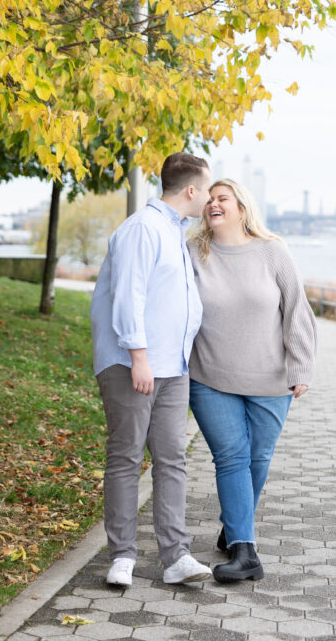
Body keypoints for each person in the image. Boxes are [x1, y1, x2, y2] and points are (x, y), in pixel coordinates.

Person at [90, 152, 214, 588]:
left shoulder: (173, 233)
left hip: (171, 366)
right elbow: (128, 296)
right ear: (191, 190)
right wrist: (138, 356)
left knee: (171, 460)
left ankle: (176, 557)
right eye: (207, 188)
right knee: (126, 457)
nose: (209, 197)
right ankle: (121, 556)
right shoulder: (143, 229)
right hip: (134, 363)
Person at [187, 178, 317, 584]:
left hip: (270, 378)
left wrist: (301, 367)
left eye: (222, 198)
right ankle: (247, 553)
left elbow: (296, 309)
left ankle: (234, 527)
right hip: (209, 376)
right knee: (232, 457)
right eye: (209, 199)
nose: (213, 204)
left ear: (242, 207)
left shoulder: (272, 251)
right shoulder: (192, 252)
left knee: (257, 460)